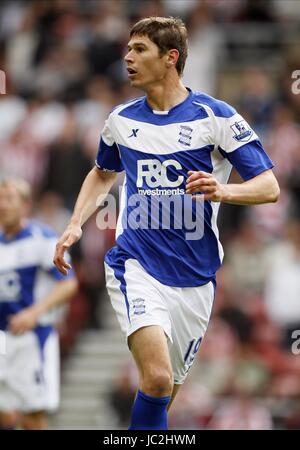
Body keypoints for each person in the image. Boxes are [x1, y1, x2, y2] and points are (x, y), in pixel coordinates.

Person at [54, 17, 280, 430]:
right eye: (128, 48)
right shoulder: (121, 120)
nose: (127, 57)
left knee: (163, 394)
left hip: (195, 278)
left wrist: (222, 191)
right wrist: (75, 223)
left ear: (170, 57)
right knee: (157, 379)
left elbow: (269, 186)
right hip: (136, 264)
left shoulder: (217, 117)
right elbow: (103, 172)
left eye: (139, 49)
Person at [0, 176, 77, 430]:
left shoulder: (42, 238)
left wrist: (34, 312)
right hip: (2, 339)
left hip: (31, 338)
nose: (3, 205)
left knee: (32, 416)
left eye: (9, 199)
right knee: (5, 414)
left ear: (25, 205)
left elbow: (68, 284)